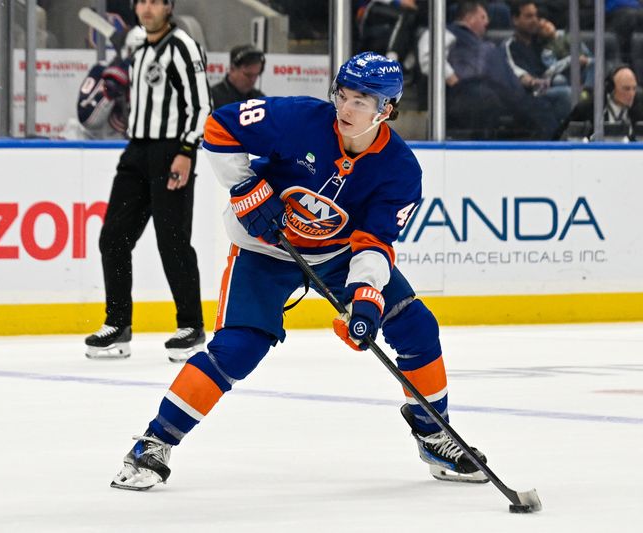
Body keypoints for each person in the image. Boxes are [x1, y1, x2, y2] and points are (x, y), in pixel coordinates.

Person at [109, 52, 489, 491]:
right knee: (237, 348)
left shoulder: (400, 170)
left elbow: (375, 241)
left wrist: (365, 297)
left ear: (386, 110)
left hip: (339, 255)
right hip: (264, 247)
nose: (345, 109)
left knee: (416, 325)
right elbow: (218, 127)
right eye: (342, 95)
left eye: (360, 101)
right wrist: (245, 186)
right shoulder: (298, 118)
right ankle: (154, 442)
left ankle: (434, 433)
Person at [85, 0, 211, 363]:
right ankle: (118, 325)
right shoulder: (138, 44)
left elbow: (202, 106)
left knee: (172, 240)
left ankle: (191, 325)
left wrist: (186, 151)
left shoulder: (183, 46)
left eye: (156, 1)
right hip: (136, 151)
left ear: (169, 7)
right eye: (141, 1)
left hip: (172, 150)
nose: (147, 8)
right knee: (113, 237)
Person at [417, 0, 560, 139]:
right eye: (483, 17)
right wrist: (453, 80)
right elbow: (429, 55)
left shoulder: (487, 45)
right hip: (470, 94)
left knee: (542, 107)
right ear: (469, 17)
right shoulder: (447, 32)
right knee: (488, 101)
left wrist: (526, 79)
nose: (487, 22)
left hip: (507, 95)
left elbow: (510, 67)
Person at [503, 1, 572, 123]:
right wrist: (535, 82)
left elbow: (559, 61)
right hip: (527, 94)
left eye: (536, 16)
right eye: (529, 16)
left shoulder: (540, 43)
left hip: (546, 88)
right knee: (566, 93)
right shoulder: (510, 46)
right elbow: (519, 74)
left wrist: (553, 35)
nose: (535, 20)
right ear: (515, 19)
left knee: (562, 81)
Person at [555, 65, 643, 140]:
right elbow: (559, 139)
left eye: (634, 88)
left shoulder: (640, 107)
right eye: (626, 89)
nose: (632, 94)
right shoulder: (588, 108)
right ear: (610, 88)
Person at [210, 44, 266, 109]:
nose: (253, 80)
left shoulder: (260, 100)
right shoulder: (212, 98)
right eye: (248, 75)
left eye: (256, 75)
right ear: (232, 69)